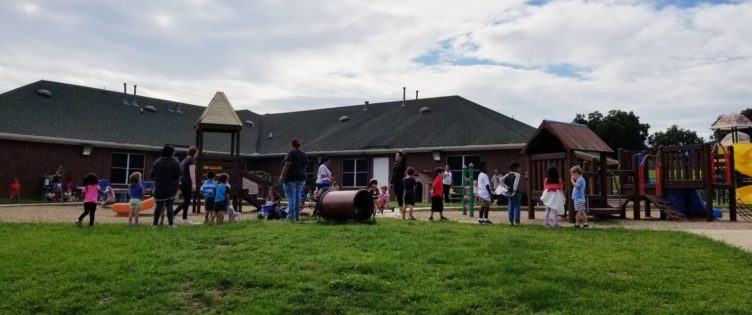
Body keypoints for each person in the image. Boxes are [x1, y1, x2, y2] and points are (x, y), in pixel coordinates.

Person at [151, 145, 181, 228]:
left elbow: (152, 175)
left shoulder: (157, 162)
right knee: (169, 206)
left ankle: (155, 224)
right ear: (171, 152)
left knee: (158, 206)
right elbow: (179, 174)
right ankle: (171, 223)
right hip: (171, 188)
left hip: (159, 187)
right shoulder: (175, 162)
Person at [279, 139, 308, 222]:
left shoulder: (291, 153)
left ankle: (290, 218)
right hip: (301, 178)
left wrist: (281, 176)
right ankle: (297, 217)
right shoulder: (304, 154)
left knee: (291, 197)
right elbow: (305, 167)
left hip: (290, 178)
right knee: (297, 197)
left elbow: (287, 164)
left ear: (291, 145)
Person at [174, 146, 198, 223]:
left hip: (182, 181)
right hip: (187, 182)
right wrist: (194, 183)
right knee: (187, 201)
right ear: (195, 153)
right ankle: (174, 214)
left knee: (186, 200)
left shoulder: (185, 159)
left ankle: (184, 218)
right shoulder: (191, 160)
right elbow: (192, 172)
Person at [502, 162, 522, 226]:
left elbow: (501, 180)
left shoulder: (508, 174)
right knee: (517, 207)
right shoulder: (517, 174)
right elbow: (516, 183)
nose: (519, 169)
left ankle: (511, 222)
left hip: (509, 192)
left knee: (510, 207)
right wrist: (514, 191)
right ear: (514, 168)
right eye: (518, 167)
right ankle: (517, 222)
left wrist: (506, 186)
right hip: (516, 192)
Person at [391, 152, 407, 217]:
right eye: (396, 156)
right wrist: (391, 182)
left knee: (399, 198)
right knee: (398, 198)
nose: (396, 157)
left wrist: (402, 152)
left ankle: (402, 215)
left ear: (401, 157)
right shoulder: (396, 164)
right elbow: (393, 174)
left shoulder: (402, 164)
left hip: (400, 183)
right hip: (395, 183)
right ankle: (402, 213)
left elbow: (396, 173)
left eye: (397, 156)